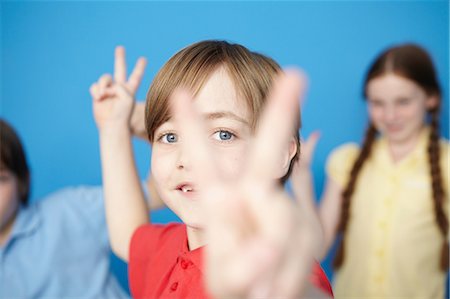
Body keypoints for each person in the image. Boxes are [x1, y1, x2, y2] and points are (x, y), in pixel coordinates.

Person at [90, 41, 333, 299]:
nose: (189, 157)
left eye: (223, 134)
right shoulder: (167, 247)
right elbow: (127, 235)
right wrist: (114, 127)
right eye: (170, 137)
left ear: (280, 155)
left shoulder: (279, 278)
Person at [295, 43, 449, 298]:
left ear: (431, 99)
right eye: (377, 103)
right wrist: (301, 180)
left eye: (403, 101)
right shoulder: (347, 161)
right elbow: (318, 249)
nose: (390, 115)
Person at [0, 107, 161, 297]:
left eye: (1, 179)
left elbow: (155, 194)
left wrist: (145, 123)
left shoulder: (70, 211)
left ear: (23, 182)